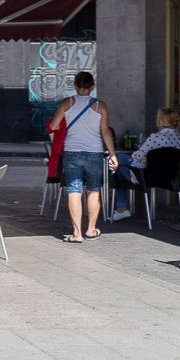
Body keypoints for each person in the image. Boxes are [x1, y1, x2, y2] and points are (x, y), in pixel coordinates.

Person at [48, 71, 116, 243]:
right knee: (93, 191)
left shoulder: (67, 102)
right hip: (95, 152)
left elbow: (54, 126)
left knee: (74, 191)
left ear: (75, 86)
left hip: (72, 152)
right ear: (92, 86)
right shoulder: (101, 106)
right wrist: (113, 155)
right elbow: (106, 132)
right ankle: (91, 230)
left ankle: (77, 234)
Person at [109, 107, 180, 221]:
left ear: (160, 121)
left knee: (119, 162)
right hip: (169, 178)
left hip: (146, 177)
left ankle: (122, 208)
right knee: (119, 171)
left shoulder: (156, 137)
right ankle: (121, 208)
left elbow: (137, 156)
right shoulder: (179, 138)